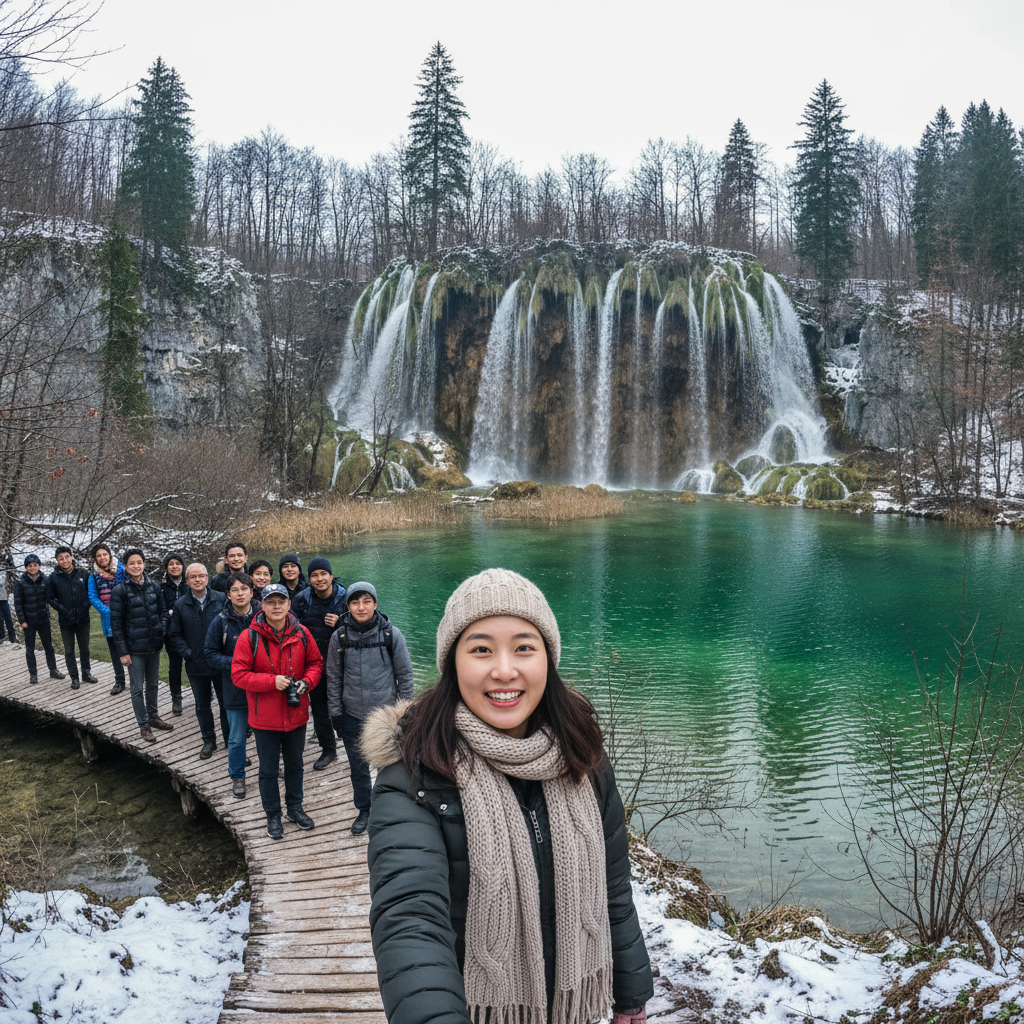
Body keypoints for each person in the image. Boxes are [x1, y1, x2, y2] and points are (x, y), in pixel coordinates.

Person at [362, 568, 653, 1024]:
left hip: (573, 1006)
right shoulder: (414, 775)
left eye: (524, 647)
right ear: (452, 663)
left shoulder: (583, 757)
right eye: (480, 649)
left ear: (547, 659)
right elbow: (410, 921)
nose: (503, 670)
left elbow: (613, 885)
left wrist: (631, 990)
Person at [232, 583, 323, 839]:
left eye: (280, 601)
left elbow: (316, 663)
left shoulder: (302, 633)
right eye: (270, 602)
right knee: (268, 770)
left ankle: (295, 808)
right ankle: (273, 815)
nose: (276, 606)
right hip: (265, 719)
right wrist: (271, 682)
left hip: (296, 715)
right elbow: (238, 675)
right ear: (261, 605)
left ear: (288, 604)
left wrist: (307, 681)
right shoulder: (248, 637)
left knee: (296, 766)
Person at [325, 581, 413, 835]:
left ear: (375, 604)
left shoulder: (391, 635)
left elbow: (405, 676)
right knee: (358, 768)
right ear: (348, 606)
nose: (361, 607)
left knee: (391, 767)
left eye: (366, 601)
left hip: (386, 717)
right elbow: (334, 678)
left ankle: (393, 809)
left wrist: (405, 714)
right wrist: (336, 714)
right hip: (352, 713)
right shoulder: (339, 637)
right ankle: (365, 810)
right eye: (355, 602)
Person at [204, 572, 258, 799]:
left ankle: (271, 769)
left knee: (270, 735)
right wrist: (237, 665)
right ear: (228, 595)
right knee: (236, 738)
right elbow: (210, 654)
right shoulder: (220, 621)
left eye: (244, 589)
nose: (240, 593)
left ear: (251, 592)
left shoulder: (264, 617)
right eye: (235, 590)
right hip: (235, 688)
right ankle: (237, 777)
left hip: (263, 688)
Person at [110, 549, 172, 743]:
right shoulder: (120, 590)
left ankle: (153, 717)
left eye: (139, 562)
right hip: (133, 648)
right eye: (131, 563)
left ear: (144, 564)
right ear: (126, 567)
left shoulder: (154, 586)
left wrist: (161, 629)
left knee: (153, 684)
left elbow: (163, 612)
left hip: (153, 644)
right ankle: (143, 725)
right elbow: (116, 624)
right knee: (137, 688)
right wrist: (122, 651)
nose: (136, 566)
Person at [292, 557, 346, 771]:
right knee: (320, 709)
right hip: (315, 663)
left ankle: (356, 745)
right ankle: (329, 750)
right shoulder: (301, 600)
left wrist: (342, 622)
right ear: (310, 578)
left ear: (331, 576)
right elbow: (292, 629)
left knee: (349, 706)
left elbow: (364, 623)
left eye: (324, 574)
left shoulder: (346, 597)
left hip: (343, 662)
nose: (319, 578)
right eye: (314, 575)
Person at [168, 562, 226, 759]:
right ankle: (209, 740)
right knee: (202, 706)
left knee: (227, 704)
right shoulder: (180, 604)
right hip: (196, 665)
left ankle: (230, 740)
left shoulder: (221, 599)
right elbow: (175, 633)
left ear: (207, 578)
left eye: (201, 575)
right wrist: (188, 653)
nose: (198, 579)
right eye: (193, 577)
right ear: (187, 581)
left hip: (219, 663)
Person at [46, 547, 96, 689]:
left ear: (72, 557)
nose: (65, 560)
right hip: (66, 620)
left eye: (67, 557)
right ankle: (74, 677)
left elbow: (91, 593)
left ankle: (86, 673)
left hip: (83, 618)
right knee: (69, 651)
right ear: (57, 560)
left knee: (85, 648)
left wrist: (84, 607)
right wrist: (62, 610)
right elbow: (50, 598)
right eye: (61, 558)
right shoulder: (54, 577)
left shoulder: (83, 573)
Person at [13, 554, 62, 683]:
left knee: (49, 647)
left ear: (39, 566)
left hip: (43, 619)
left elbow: (50, 597)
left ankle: (53, 670)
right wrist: (22, 620)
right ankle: (33, 674)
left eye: (35, 565)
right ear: (26, 567)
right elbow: (18, 603)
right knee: (30, 649)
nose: (33, 567)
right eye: (30, 565)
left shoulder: (45, 580)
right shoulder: (20, 582)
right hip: (28, 621)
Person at [88, 543, 128, 696]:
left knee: (131, 648)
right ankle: (119, 680)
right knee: (114, 650)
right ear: (95, 559)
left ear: (110, 555)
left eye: (104, 554)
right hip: (109, 618)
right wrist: (108, 611)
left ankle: (136, 680)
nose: (102, 558)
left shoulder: (122, 571)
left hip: (126, 616)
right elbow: (93, 597)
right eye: (98, 555)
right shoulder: (93, 576)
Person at [160, 552, 188, 715]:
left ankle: (202, 694)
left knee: (195, 663)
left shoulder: (189, 584)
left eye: (178, 563)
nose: (175, 566)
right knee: (175, 666)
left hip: (190, 631)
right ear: (166, 567)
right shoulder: (162, 587)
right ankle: (176, 698)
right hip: (171, 633)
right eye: (171, 564)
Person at [0, 566, 17, 645]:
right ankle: (1, 637)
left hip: (3, 597)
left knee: (8, 618)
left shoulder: (3, 568)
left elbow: (2, 582)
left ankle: (12, 638)